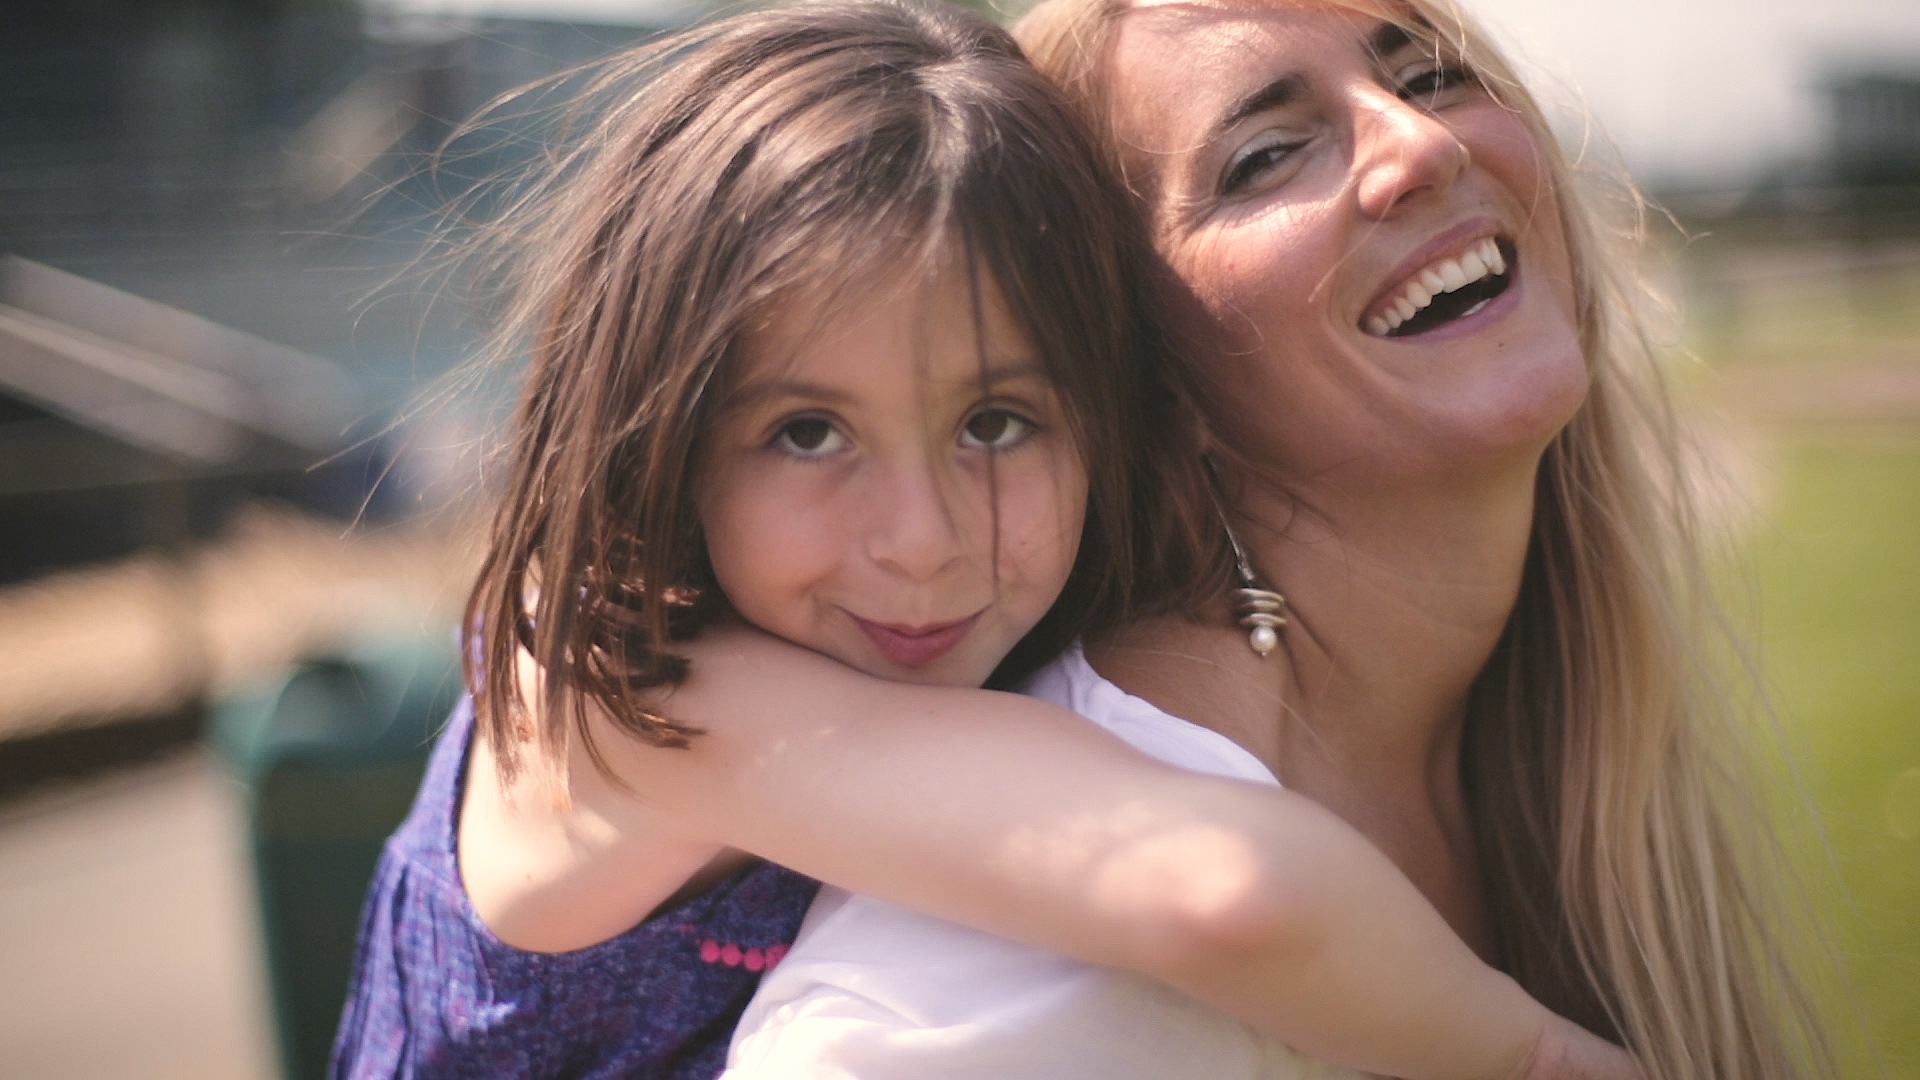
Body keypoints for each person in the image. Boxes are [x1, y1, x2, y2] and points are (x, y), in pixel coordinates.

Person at [329, 3, 1631, 1078]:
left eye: (998, 421)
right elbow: (1219, 885)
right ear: (653, 431)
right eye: (804, 433)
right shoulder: (624, 689)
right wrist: (1542, 1057)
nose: (923, 543)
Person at [715, 1, 1835, 1079]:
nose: (1421, 145)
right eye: (1262, 156)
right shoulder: (1037, 975)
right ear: (1151, 387)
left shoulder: (1530, 736)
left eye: (1429, 75)